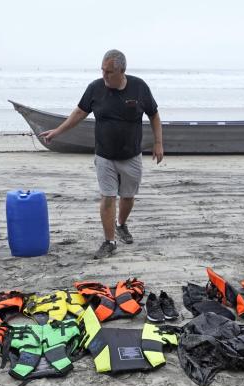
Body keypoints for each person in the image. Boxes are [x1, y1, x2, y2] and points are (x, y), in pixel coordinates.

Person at [40, 49, 163, 260]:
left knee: (128, 197)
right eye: (102, 70)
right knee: (108, 197)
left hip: (131, 155)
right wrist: (57, 131)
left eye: (109, 72)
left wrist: (159, 143)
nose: (104, 75)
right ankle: (109, 241)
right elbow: (79, 112)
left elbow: (154, 114)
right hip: (105, 155)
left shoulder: (139, 87)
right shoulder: (95, 88)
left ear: (122, 71)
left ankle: (121, 225)